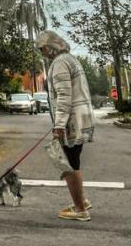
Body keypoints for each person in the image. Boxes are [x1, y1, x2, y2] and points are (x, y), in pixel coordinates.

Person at [35, 30, 95, 222]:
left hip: (71, 121)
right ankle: (82, 202)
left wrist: (59, 125)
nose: (42, 53)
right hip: (80, 117)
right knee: (73, 161)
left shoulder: (60, 63)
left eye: (42, 48)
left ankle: (80, 209)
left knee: (68, 165)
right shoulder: (71, 59)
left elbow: (64, 96)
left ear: (51, 46)